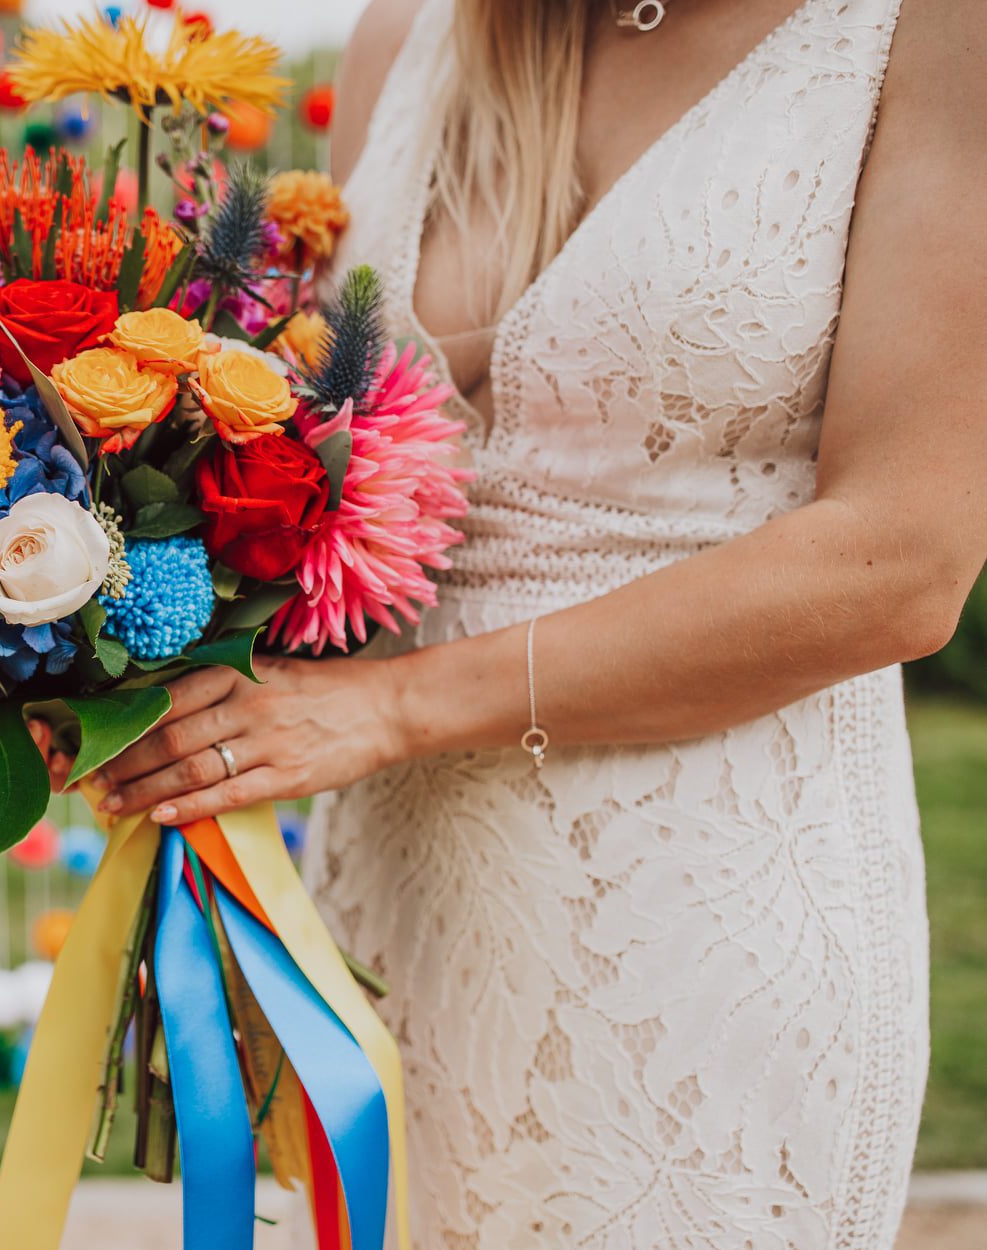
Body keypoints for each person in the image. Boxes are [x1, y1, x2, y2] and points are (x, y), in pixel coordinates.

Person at [52, 1, 986, 1245]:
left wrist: (391, 705)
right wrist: (133, 655)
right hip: (390, 889)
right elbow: (355, 485)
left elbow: (901, 560)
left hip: (703, 918)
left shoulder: (933, 31)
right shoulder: (410, 37)